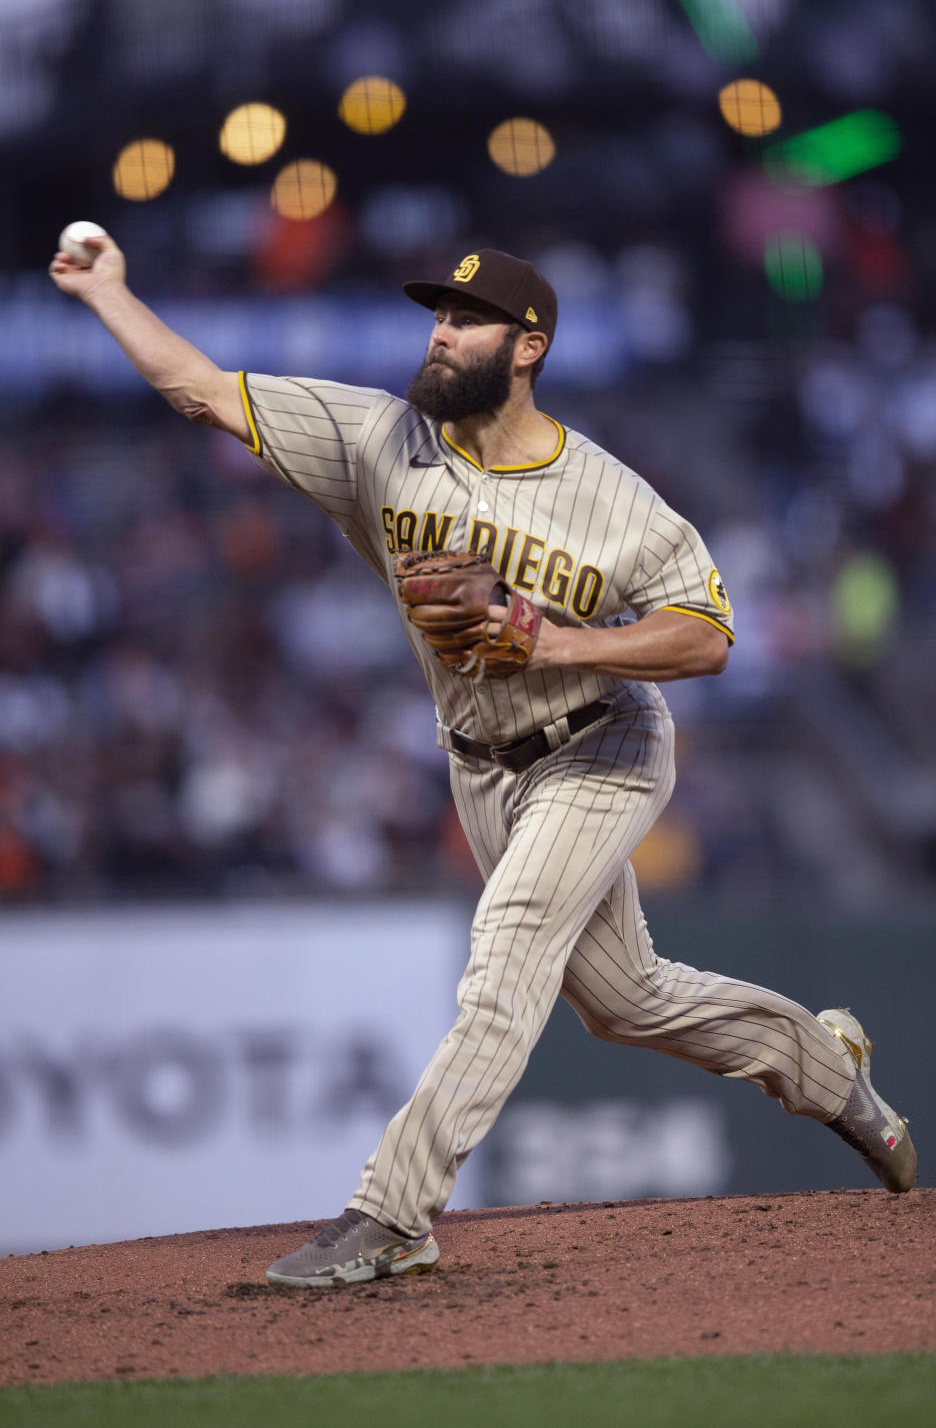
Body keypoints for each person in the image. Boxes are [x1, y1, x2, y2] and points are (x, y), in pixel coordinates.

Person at [50, 238, 917, 1288]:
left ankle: (393, 1211)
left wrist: (554, 640)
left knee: (506, 954)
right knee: (625, 1000)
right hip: (482, 764)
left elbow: (707, 638)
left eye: (466, 319)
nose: (441, 332)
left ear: (528, 346)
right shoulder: (379, 440)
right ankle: (830, 1070)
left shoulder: (609, 494)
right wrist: (109, 292)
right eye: (437, 315)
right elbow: (198, 390)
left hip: (602, 740)